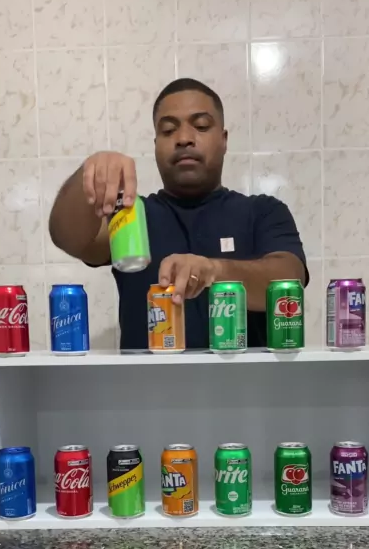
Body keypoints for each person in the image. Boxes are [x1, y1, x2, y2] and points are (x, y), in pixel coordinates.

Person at [49, 78, 308, 350]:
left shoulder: (262, 211)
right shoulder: (130, 216)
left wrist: (213, 271)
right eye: (168, 130)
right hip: (147, 379)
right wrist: (89, 175)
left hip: (245, 378)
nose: (184, 138)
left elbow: (289, 283)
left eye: (201, 126)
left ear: (223, 140)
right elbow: (68, 237)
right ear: (155, 144)